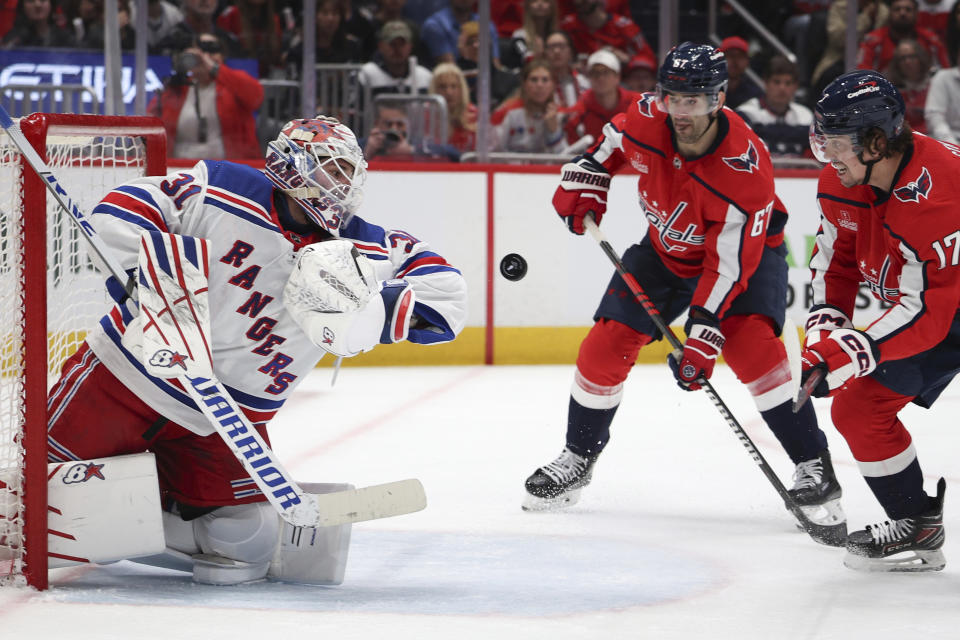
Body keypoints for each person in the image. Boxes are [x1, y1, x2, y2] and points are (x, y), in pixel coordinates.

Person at [45, 116, 468, 585]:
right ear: (291, 166)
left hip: (224, 418)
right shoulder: (224, 187)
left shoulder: (368, 246)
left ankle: (127, 521)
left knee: (246, 543)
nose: (342, 184)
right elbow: (128, 203)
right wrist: (144, 268)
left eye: (348, 171)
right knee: (29, 505)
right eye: (330, 168)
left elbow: (448, 298)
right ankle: (109, 518)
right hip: (128, 381)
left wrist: (374, 312)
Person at [523, 42, 846, 545]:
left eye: (693, 101)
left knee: (757, 355)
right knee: (604, 345)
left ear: (719, 98)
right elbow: (611, 141)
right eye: (672, 98)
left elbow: (728, 267)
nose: (680, 112)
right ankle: (578, 457)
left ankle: (814, 467)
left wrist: (703, 334)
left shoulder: (745, 169)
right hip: (663, 254)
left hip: (744, 261)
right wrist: (588, 176)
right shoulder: (648, 116)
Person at [802, 69, 954, 571]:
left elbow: (928, 314)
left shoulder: (935, 197)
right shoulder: (843, 177)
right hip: (940, 305)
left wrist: (852, 350)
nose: (826, 155)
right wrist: (825, 336)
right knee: (859, 408)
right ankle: (915, 524)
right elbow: (836, 264)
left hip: (942, 305)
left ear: (874, 142)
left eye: (836, 142)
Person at [149, 32, 264, 159]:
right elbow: (152, 122)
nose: (204, 56)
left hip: (228, 167)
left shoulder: (233, 84)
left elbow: (256, 97)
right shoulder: (176, 89)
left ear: (223, 56)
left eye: (212, 50)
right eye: (200, 52)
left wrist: (213, 67)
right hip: (180, 167)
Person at [810, 0, 889, 103]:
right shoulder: (840, 7)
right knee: (830, 78)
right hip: (838, 58)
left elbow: (879, 40)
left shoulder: (883, 12)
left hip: (871, 60)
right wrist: (865, 18)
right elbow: (839, 39)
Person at [736, 55, 814, 157]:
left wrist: (760, 131)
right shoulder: (747, 112)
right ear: (766, 83)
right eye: (776, 82)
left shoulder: (805, 115)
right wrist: (797, 134)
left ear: (795, 86)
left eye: (788, 83)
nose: (782, 88)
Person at [562, 48, 641, 145]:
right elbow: (568, 128)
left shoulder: (637, 103)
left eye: (606, 72)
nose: (600, 78)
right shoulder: (582, 106)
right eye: (595, 73)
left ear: (617, 77)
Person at [858, 0, 949, 76]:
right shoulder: (873, 40)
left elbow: (945, 71)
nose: (902, 13)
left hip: (923, 92)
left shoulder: (931, 39)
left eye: (908, 10)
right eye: (897, 9)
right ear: (889, 13)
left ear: (917, 14)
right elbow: (862, 73)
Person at [492, 58, 565, 153]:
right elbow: (495, 152)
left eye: (545, 80)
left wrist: (554, 131)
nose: (539, 85)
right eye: (534, 80)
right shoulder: (509, 112)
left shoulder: (560, 115)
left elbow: (564, 157)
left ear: (552, 85)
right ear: (524, 84)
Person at [559, 0, 653, 65]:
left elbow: (649, 59)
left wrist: (628, 60)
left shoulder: (624, 26)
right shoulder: (568, 25)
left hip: (619, 80)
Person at [358, 20, 433, 99]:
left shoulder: (425, 77)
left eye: (402, 44)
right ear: (380, 46)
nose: (397, 49)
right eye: (392, 44)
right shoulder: (366, 74)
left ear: (410, 46)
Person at [421, 0, 501, 67]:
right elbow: (452, 72)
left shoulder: (486, 25)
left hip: (485, 81)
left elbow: (496, 66)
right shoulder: (435, 25)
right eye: (470, 42)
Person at [887, 38, 933, 132]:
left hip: (936, 135)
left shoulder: (935, 81)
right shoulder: (892, 89)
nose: (907, 62)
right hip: (908, 138)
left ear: (921, 58)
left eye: (911, 57)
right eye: (902, 58)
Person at [429, 62, 478, 152]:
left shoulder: (474, 115)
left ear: (462, 89)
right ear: (434, 89)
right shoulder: (426, 115)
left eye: (454, 86)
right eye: (442, 87)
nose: (449, 92)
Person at [543, 30, 589, 108]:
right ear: (545, 53)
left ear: (571, 51)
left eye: (561, 46)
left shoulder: (585, 81)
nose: (556, 51)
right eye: (551, 47)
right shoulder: (540, 83)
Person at [1, 0, 75, 48]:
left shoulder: (65, 38)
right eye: (31, 1)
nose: (37, 5)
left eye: (42, 0)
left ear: (51, 4)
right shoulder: (14, 38)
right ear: (22, 6)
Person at [719, 36, 762, 110]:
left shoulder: (754, 94)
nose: (735, 61)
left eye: (740, 56)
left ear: (747, 61)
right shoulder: (708, 90)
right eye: (730, 55)